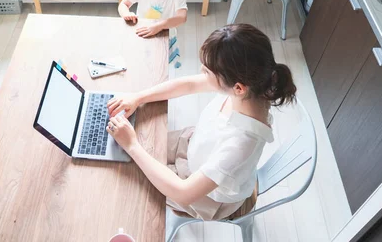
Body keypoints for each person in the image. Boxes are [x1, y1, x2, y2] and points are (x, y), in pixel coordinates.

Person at [106, 24, 297, 220]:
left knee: (131, 179)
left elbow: (183, 193)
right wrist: (139, 97)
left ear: (238, 88)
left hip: (207, 195)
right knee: (132, 149)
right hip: (197, 146)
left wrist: (132, 145)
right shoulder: (251, 89)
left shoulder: (241, 144)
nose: (201, 71)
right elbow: (189, 84)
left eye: (207, 71)